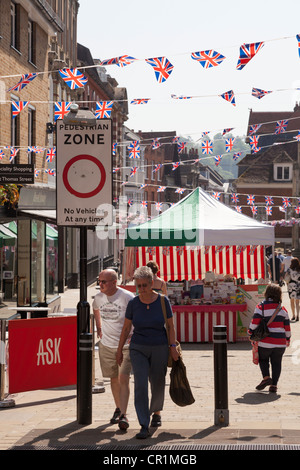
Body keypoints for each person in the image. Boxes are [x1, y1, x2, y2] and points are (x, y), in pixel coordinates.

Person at [116, 266, 179, 439]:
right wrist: (120, 349)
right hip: (138, 347)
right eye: (139, 285)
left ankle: (156, 413)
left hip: (159, 346)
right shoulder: (133, 303)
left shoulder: (162, 301)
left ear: (152, 283)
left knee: (158, 382)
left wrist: (172, 347)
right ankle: (143, 423)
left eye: (145, 285)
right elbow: (126, 327)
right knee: (140, 384)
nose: (142, 289)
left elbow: (170, 326)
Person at [92, 268, 134, 431]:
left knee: (123, 378)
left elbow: (135, 318)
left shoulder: (127, 297)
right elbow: (95, 308)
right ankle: (119, 408)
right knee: (113, 379)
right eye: (99, 281)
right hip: (107, 345)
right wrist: (98, 326)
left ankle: (124, 414)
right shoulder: (99, 297)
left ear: (114, 282)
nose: (100, 284)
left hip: (125, 346)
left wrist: (132, 334)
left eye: (103, 282)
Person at [248, 283, 291, 393]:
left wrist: (250, 333)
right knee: (277, 363)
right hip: (280, 342)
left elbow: (254, 323)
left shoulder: (260, 307)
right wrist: (288, 339)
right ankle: (274, 386)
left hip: (265, 342)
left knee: (263, 359)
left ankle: (266, 378)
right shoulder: (283, 310)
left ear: (267, 293)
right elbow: (287, 328)